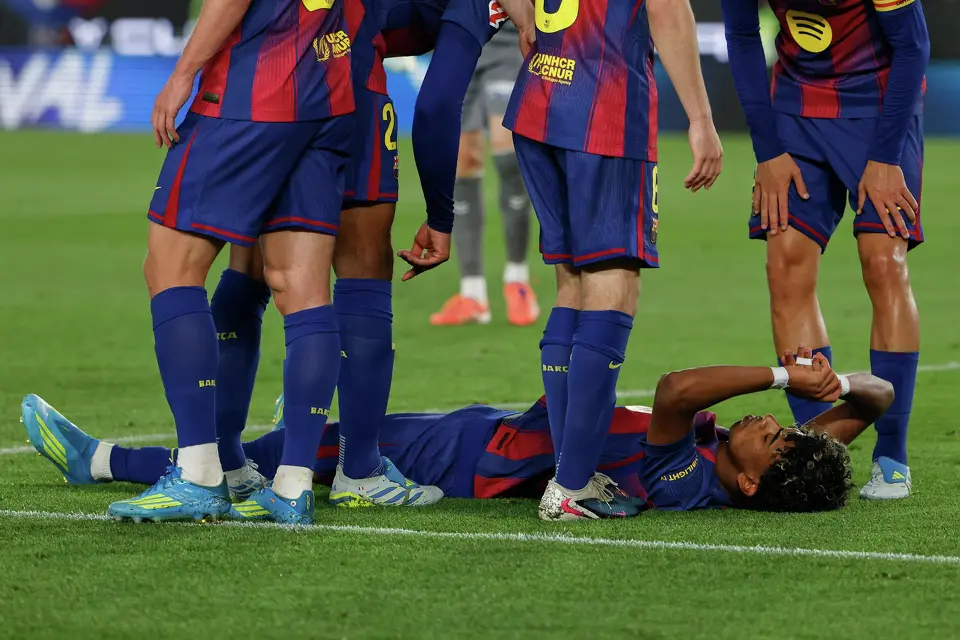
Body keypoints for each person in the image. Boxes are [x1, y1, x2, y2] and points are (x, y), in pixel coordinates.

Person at [21, 346, 892, 515]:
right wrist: (841, 387)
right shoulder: (743, 472)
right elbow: (877, 400)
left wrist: (785, 373)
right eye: (785, 426)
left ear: (747, 482)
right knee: (296, 443)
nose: (772, 426)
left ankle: (101, 461)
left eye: (774, 439)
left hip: (468, 455)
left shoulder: (681, 470)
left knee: (285, 447)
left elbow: (672, 386)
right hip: (488, 437)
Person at [122, 0, 355, 524]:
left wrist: (183, 73)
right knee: (301, 285)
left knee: (170, 264)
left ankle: (199, 472)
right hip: (329, 91)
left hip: (255, 86)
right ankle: (293, 487)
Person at [208, 0, 445, 515]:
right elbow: (412, 19)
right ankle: (359, 468)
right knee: (363, 265)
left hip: (266, 84)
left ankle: (224, 463)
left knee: (247, 263)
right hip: (350, 80)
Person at [501, 0, 724, 520]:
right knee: (612, 284)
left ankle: (569, 472)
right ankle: (571, 486)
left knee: (572, 285)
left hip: (538, 98)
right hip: (604, 109)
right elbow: (667, 9)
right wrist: (700, 119)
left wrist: (525, 19)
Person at [722, 0, 929, 499]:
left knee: (883, 262)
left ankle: (891, 455)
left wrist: (884, 158)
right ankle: (819, 447)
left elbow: (913, 44)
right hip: (795, 109)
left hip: (881, 107)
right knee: (785, 267)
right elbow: (743, 38)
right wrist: (767, 150)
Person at [429, 22, 539, 327]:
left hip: (507, 37)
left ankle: (517, 280)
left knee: (508, 154)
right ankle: (472, 293)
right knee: (462, 160)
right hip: (460, 41)